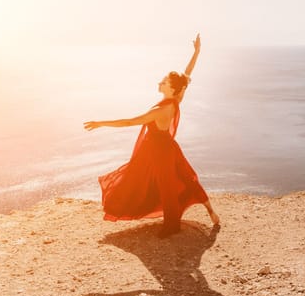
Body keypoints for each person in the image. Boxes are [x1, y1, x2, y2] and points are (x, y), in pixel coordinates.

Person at [84, 34, 220, 238]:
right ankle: (211, 212)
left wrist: (100, 123)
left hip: (158, 151)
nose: (160, 82)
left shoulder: (161, 110)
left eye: (164, 81)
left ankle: (172, 226)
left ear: (172, 88)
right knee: (186, 177)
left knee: (163, 186)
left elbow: (129, 122)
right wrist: (196, 52)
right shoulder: (177, 99)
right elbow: (186, 75)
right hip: (169, 146)